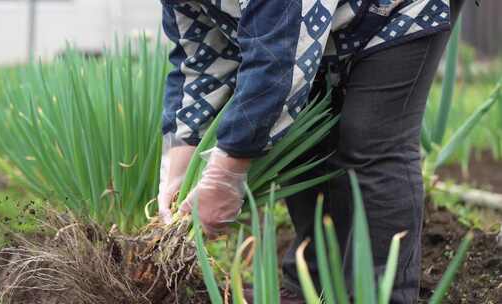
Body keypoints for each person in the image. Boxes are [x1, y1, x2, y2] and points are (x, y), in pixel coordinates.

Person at [158, 0, 464, 303]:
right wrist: (179, 167)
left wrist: (224, 176)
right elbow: (198, 59)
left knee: (371, 140)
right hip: (324, 22)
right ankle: (312, 287)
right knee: (305, 140)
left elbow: (279, 62)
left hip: (399, 9)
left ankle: (381, 294)